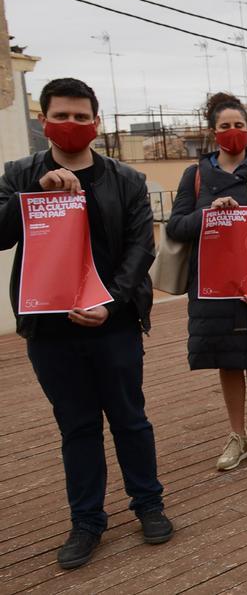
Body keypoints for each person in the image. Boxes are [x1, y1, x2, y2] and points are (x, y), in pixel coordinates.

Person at [0, 78, 172, 568]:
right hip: (50, 328)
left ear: (95, 123)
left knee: (130, 419)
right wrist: (33, 193)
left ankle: (149, 505)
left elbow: (141, 248)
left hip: (112, 322)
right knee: (76, 427)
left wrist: (112, 303)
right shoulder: (19, 173)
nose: (71, 125)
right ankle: (87, 522)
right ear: (43, 120)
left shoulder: (126, 179)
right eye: (62, 116)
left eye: (81, 117)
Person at [166, 92, 247, 471]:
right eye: (225, 126)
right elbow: (176, 227)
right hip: (215, 288)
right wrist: (208, 212)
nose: (233, 132)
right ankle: (236, 435)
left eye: (239, 126)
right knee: (228, 360)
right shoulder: (196, 176)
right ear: (213, 132)